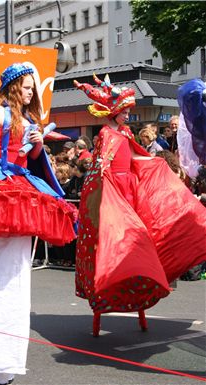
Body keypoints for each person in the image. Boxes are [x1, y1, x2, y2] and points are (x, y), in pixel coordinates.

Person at [0, 63, 77, 385]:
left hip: (22, 189)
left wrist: (36, 142)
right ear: (12, 86)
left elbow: (35, 159)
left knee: (15, 274)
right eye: (27, 86)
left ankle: (7, 361)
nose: (31, 91)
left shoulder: (32, 120)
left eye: (33, 87)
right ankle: (3, 361)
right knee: (4, 275)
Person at [74, 73, 206, 336]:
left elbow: (137, 155)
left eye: (127, 111)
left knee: (142, 239)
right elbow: (102, 168)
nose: (127, 116)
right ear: (112, 112)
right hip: (113, 193)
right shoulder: (105, 135)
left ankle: (145, 283)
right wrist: (108, 196)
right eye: (124, 111)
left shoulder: (123, 132)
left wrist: (158, 163)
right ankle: (108, 293)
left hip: (129, 191)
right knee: (117, 243)